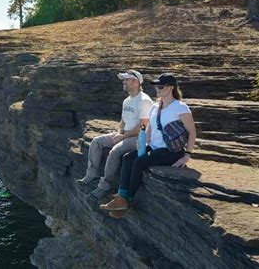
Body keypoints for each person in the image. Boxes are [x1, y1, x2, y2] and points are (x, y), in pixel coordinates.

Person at [100, 73, 197, 218]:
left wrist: (187, 155)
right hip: (154, 147)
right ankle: (121, 195)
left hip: (171, 151)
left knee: (139, 162)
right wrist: (144, 145)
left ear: (170, 88)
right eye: (156, 86)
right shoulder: (156, 106)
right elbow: (150, 128)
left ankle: (127, 200)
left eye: (160, 86)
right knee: (128, 158)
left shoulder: (180, 107)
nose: (157, 89)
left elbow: (192, 132)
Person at [76, 70, 153, 202]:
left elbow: (143, 126)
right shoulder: (127, 100)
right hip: (125, 134)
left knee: (115, 151)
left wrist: (123, 137)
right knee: (96, 142)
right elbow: (123, 121)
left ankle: (104, 185)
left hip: (139, 137)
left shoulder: (144, 101)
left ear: (135, 82)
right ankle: (91, 174)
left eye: (126, 80)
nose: (123, 82)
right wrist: (119, 133)